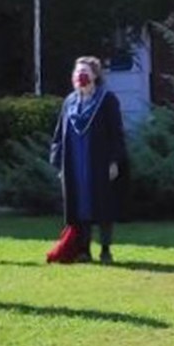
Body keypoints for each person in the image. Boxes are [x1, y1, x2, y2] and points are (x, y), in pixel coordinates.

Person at [47, 56, 129, 264]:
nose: (80, 75)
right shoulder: (70, 102)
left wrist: (113, 161)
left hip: (98, 161)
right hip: (74, 161)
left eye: (85, 71)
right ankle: (83, 250)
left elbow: (116, 133)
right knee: (79, 206)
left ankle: (105, 249)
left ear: (94, 75)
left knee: (102, 206)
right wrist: (58, 162)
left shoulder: (107, 100)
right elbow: (59, 134)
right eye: (77, 72)